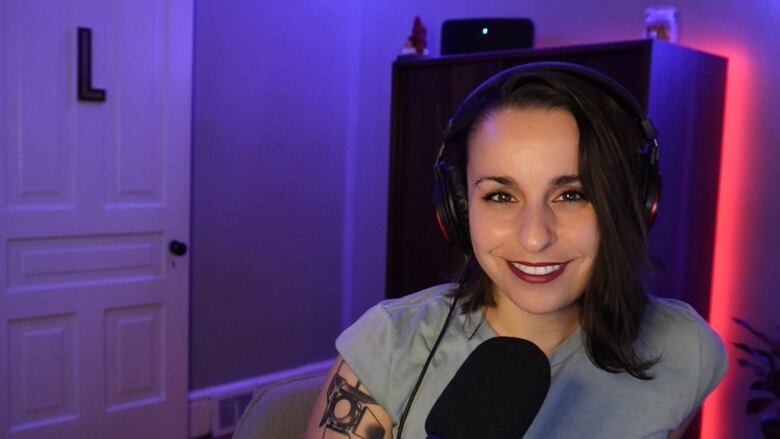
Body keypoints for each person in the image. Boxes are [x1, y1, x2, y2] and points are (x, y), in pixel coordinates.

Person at [304, 63, 728, 439]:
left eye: (572, 194)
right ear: (457, 207)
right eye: (501, 197)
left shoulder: (685, 349)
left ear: (631, 203)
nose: (534, 237)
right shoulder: (390, 345)